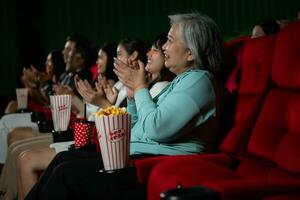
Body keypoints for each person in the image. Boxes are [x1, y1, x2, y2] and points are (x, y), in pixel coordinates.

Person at [25, 12, 223, 200]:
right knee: (63, 159)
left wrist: (140, 87)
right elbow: (136, 128)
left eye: (170, 41)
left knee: (65, 174)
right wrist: (131, 94)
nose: (164, 47)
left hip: (157, 168)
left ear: (190, 53)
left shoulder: (199, 81)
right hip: (134, 160)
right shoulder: (180, 82)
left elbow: (157, 128)